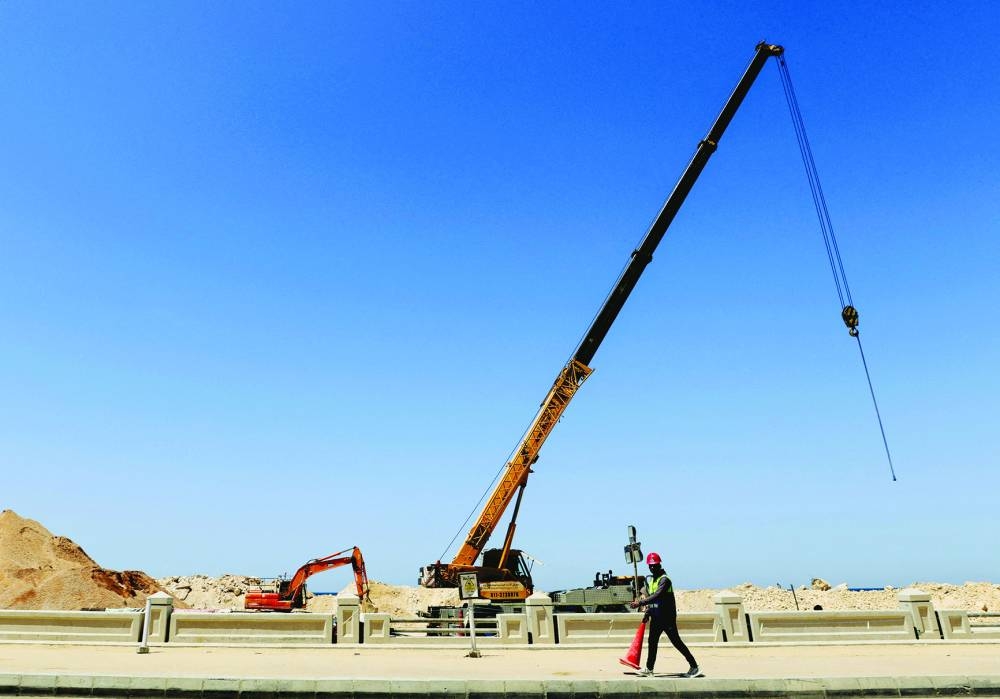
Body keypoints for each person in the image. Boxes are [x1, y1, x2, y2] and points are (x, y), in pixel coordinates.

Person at [629, 551, 700, 678]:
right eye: (650, 565)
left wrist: (639, 603)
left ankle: (694, 666)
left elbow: (657, 596)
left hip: (667, 618)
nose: (652, 567)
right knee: (652, 642)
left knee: (677, 642)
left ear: (659, 564)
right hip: (656, 617)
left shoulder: (665, 580)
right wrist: (648, 613)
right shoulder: (652, 581)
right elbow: (652, 599)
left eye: (654, 565)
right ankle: (649, 669)